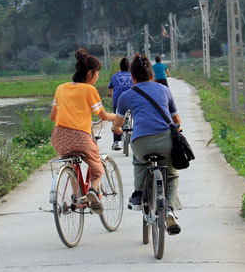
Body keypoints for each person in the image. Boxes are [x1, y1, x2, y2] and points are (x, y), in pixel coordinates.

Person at [112, 54, 182, 235]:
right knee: (172, 175)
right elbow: (176, 119)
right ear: (152, 75)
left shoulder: (127, 95)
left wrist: (118, 130)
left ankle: (138, 193)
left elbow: (117, 124)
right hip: (166, 141)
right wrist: (178, 130)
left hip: (141, 143)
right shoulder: (164, 90)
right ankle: (169, 210)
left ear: (132, 78)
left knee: (139, 161)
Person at [50, 49, 117, 214]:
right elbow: (101, 115)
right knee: (96, 164)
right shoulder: (89, 90)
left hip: (59, 137)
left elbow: (53, 117)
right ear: (90, 73)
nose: (98, 77)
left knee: (71, 161)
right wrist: (115, 116)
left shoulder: (61, 89)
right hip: (80, 137)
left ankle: (75, 195)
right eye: (97, 73)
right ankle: (93, 191)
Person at [107, 57, 133, 151]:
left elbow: (110, 87)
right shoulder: (133, 75)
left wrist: (110, 93)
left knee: (116, 118)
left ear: (120, 67)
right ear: (129, 67)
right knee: (137, 115)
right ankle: (137, 135)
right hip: (132, 99)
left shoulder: (115, 76)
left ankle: (115, 142)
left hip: (118, 100)